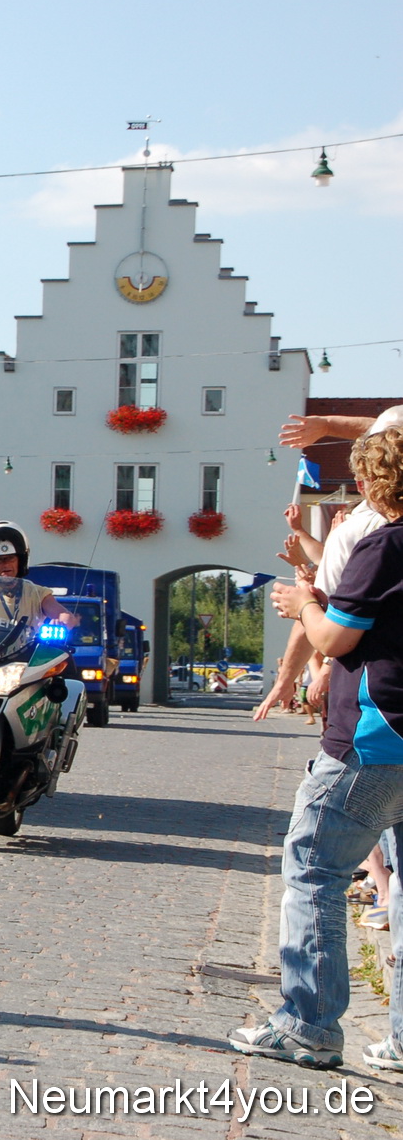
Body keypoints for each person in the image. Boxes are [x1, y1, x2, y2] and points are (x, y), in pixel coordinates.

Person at [229, 424, 403, 1072]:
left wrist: (303, 603)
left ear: (372, 482)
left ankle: (309, 1024)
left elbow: (334, 639)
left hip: (374, 737)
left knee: (312, 868)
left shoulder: (384, 545)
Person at [255, 406, 403, 722]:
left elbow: (332, 637)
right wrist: (328, 424)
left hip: (380, 714)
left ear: (365, 480)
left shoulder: (368, 535)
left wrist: (303, 604)